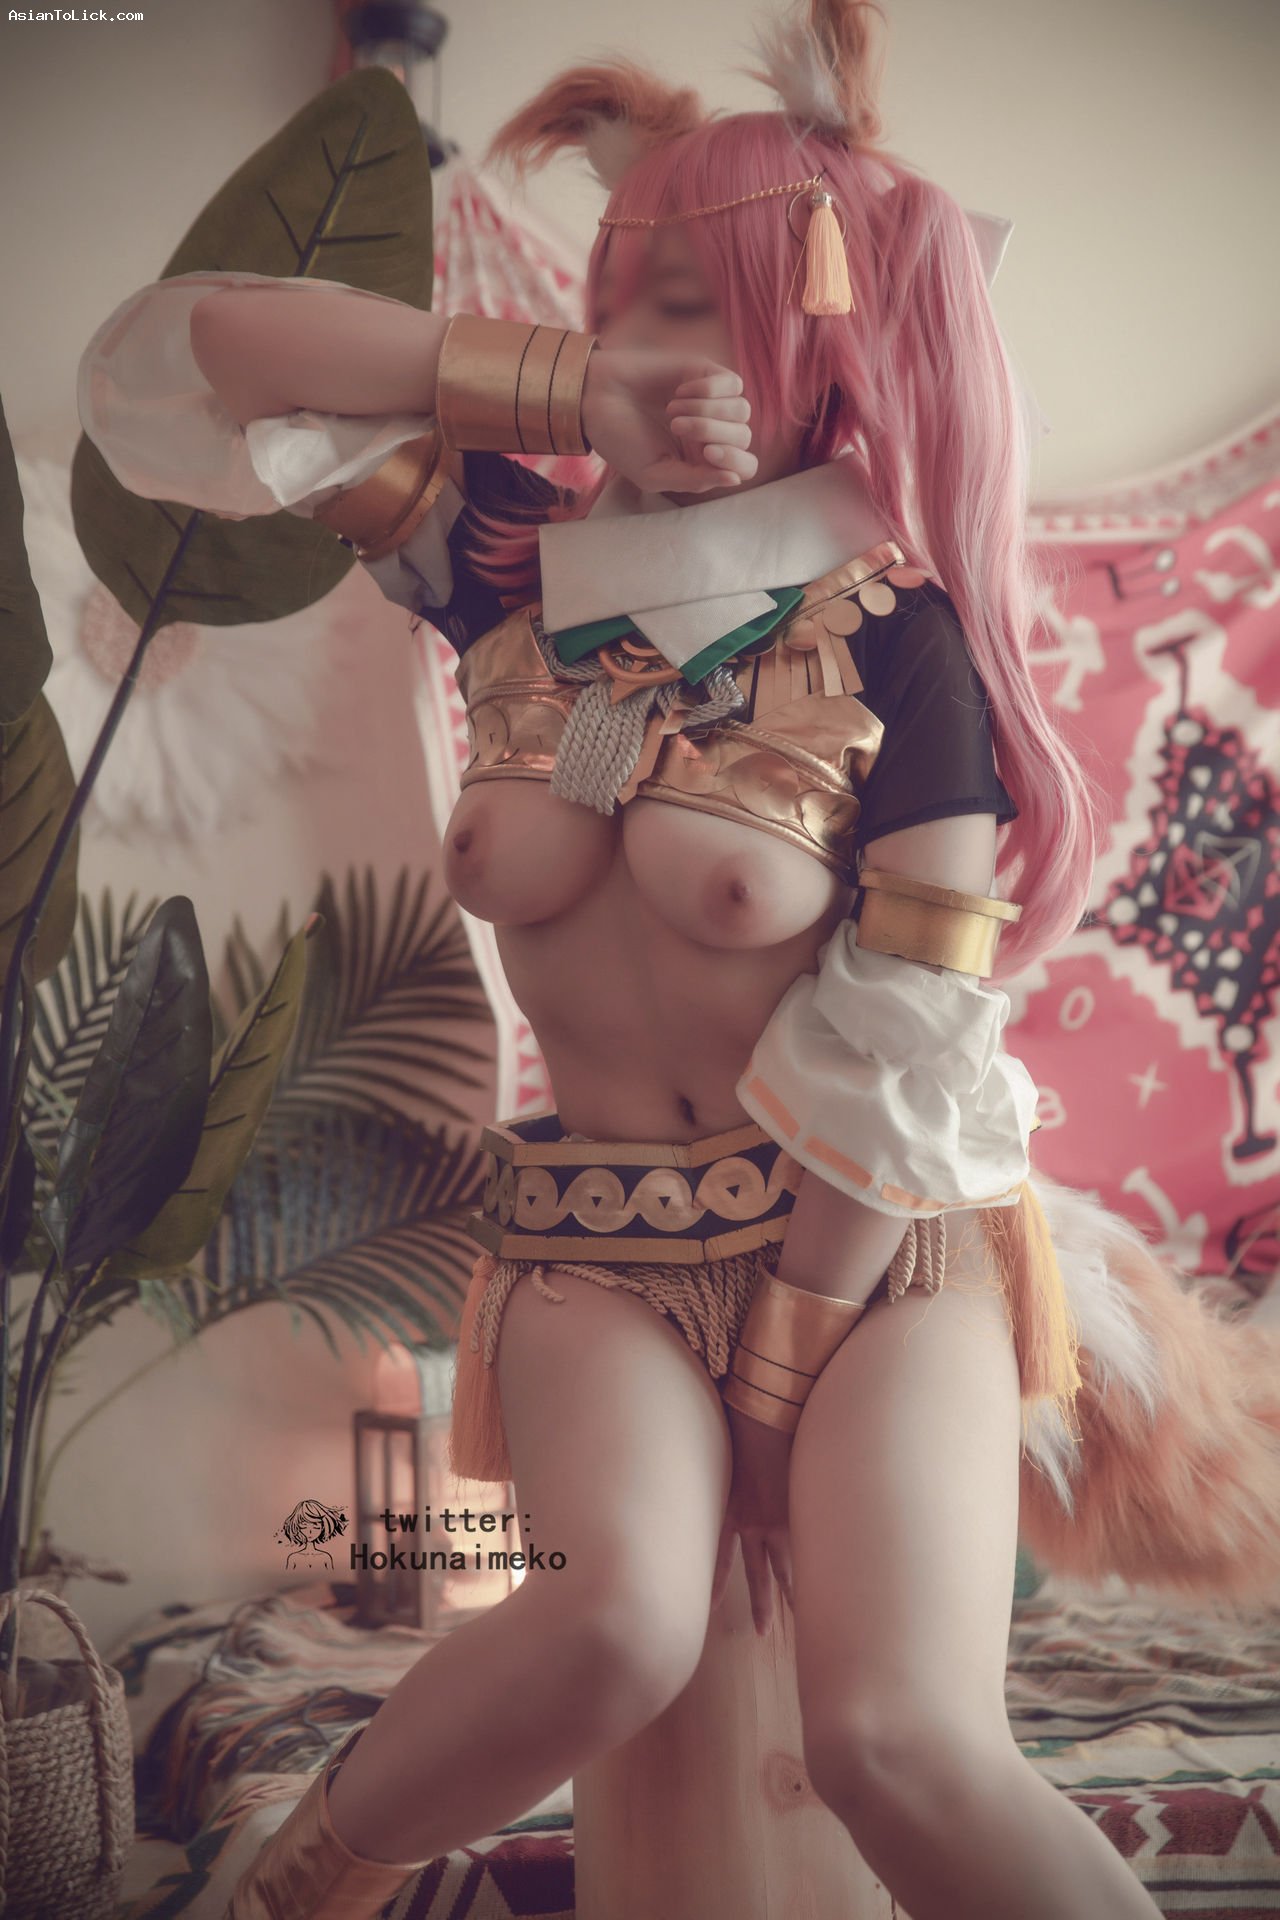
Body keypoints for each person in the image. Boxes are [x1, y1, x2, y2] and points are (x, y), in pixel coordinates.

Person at [75, 5, 1280, 1917]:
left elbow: (911, 1036)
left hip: (873, 1246)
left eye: (698, 305)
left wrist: (786, 1355)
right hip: (594, 1242)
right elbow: (167, 366)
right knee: (605, 1627)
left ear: (820, 342)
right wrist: (563, 389)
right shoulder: (501, 566)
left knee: (898, 1739)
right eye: (619, 292)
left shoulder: (897, 636)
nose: (651, 338)